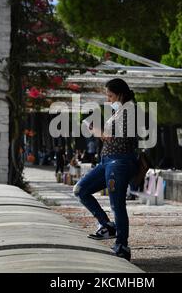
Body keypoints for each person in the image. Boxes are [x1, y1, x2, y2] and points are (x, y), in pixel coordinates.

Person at [73, 78, 138, 261]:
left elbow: (111, 137)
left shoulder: (129, 110)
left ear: (120, 94)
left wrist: (93, 128)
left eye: (110, 95)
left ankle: (122, 245)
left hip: (119, 162)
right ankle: (107, 225)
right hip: (107, 161)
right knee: (80, 190)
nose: (108, 99)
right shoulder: (120, 110)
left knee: (117, 204)